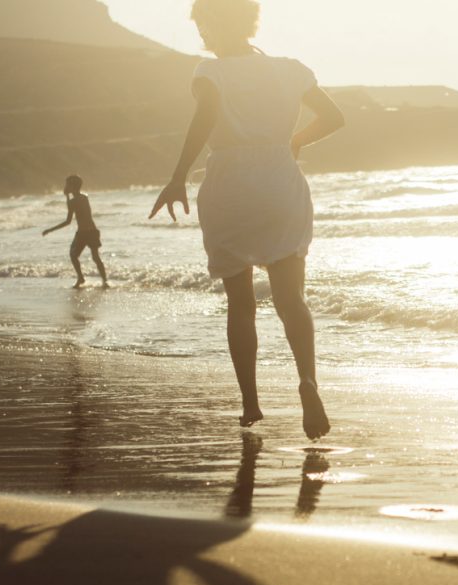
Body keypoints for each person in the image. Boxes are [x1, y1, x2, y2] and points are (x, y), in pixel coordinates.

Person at [149, 0, 344, 440]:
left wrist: (178, 176)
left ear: (215, 27)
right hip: (280, 181)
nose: (202, 36)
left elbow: (204, 119)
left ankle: (251, 403)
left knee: (241, 304)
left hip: (230, 186)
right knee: (291, 298)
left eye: (203, 26)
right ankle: (308, 383)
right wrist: (291, 141)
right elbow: (334, 117)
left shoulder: (210, 72)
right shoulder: (290, 68)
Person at [43, 175, 108, 289]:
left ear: (72, 186)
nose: (65, 186)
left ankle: (81, 278)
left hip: (84, 233)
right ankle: (104, 281)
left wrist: (50, 230)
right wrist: (68, 196)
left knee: (74, 255)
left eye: (67, 184)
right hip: (91, 231)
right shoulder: (84, 197)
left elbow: (68, 221)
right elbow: (74, 208)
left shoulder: (74, 201)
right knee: (94, 257)